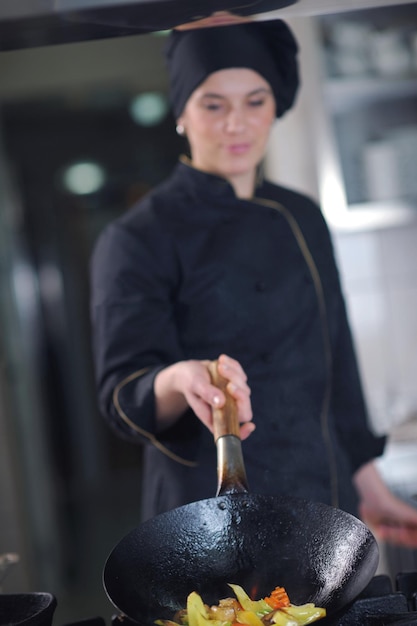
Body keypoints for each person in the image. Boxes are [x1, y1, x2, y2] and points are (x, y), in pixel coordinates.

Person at [90, 19, 417, 546]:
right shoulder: (137, 236)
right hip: (208, 517)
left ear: (275, 108)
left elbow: (337, 365)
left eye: (255, 101)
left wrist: (369, 486)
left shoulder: (303, 216)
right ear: (181, 112)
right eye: (213, 104)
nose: (236, 124)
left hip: (322, 502)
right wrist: (179, 377)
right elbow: (120, 395)